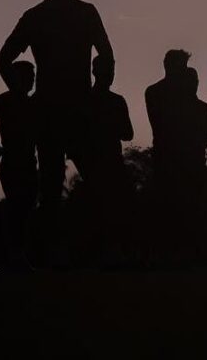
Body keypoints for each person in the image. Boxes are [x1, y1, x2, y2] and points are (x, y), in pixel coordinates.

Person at [0, 0, 112, 225]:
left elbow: (3, 60)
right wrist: (98, 93)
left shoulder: (37, 16)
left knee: (55, 183)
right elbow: (107, 56)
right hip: (72, 107)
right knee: (85, 180)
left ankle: (59, 247)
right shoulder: (84, 13)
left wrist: (20, 96)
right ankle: (83, 246)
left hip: (53, 108)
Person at [145, 52, 207, 264]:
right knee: (174, 208)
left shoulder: (156, 93)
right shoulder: (159, 93)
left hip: (182, 159)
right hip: (173, 159)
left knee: (185, 208)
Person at [73, 54, 133, 263]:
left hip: (105, 162)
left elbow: (128, 133)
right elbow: (127, 133)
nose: (110, 76)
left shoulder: (91, 101)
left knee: (109, 209)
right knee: (103, 209)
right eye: (108, 71)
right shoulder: (109, 101)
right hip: (98, 162)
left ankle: (108, 251)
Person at [0, 60, 39, 265]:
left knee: (25, 207)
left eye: (33, 76)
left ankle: (19, 253)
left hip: (28, 161)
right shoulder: (4, 101)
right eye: (28, 76)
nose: (32, 80)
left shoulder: (33, 103)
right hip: (12, 160)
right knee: (16, 207)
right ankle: (13, 254)